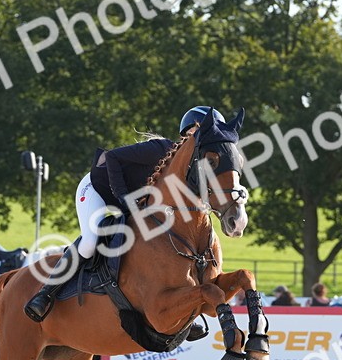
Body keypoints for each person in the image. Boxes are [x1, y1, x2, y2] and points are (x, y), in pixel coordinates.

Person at [24, 106, 225, 323]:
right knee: (91, 242)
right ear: (189, 134)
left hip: (133, 200)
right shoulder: (160, 149)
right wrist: (122, 198)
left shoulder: (191, 171)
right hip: (98, 188)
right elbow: (111, 158)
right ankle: (45, 294)